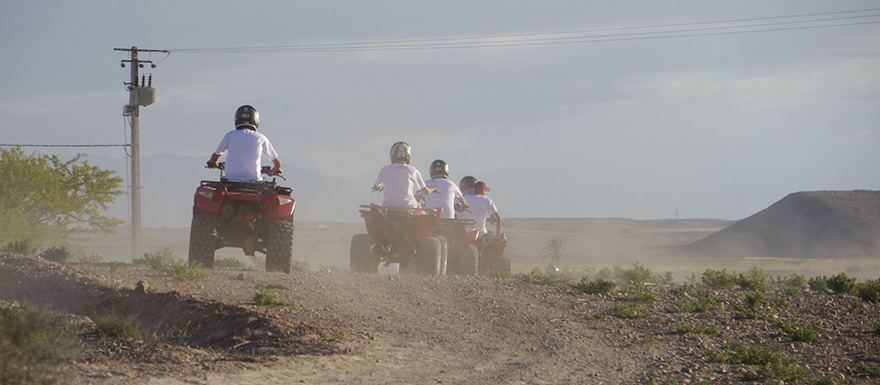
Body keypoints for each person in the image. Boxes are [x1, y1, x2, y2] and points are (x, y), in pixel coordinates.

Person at [207, 105, 282, 182]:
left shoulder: (230, 135)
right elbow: (277, 163)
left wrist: (213, 162)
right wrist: (275, 170)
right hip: (255, 182)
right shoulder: (261, 137)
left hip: (231, 181)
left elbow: (216, 154)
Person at [372, 141, 434, 209]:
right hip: (409, 207)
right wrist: (433, 188)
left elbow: (376, 186)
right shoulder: (412, 170)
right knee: (420, 205)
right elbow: (426, 191)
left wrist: (381, 187)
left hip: (388, 207)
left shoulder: (385, 169)